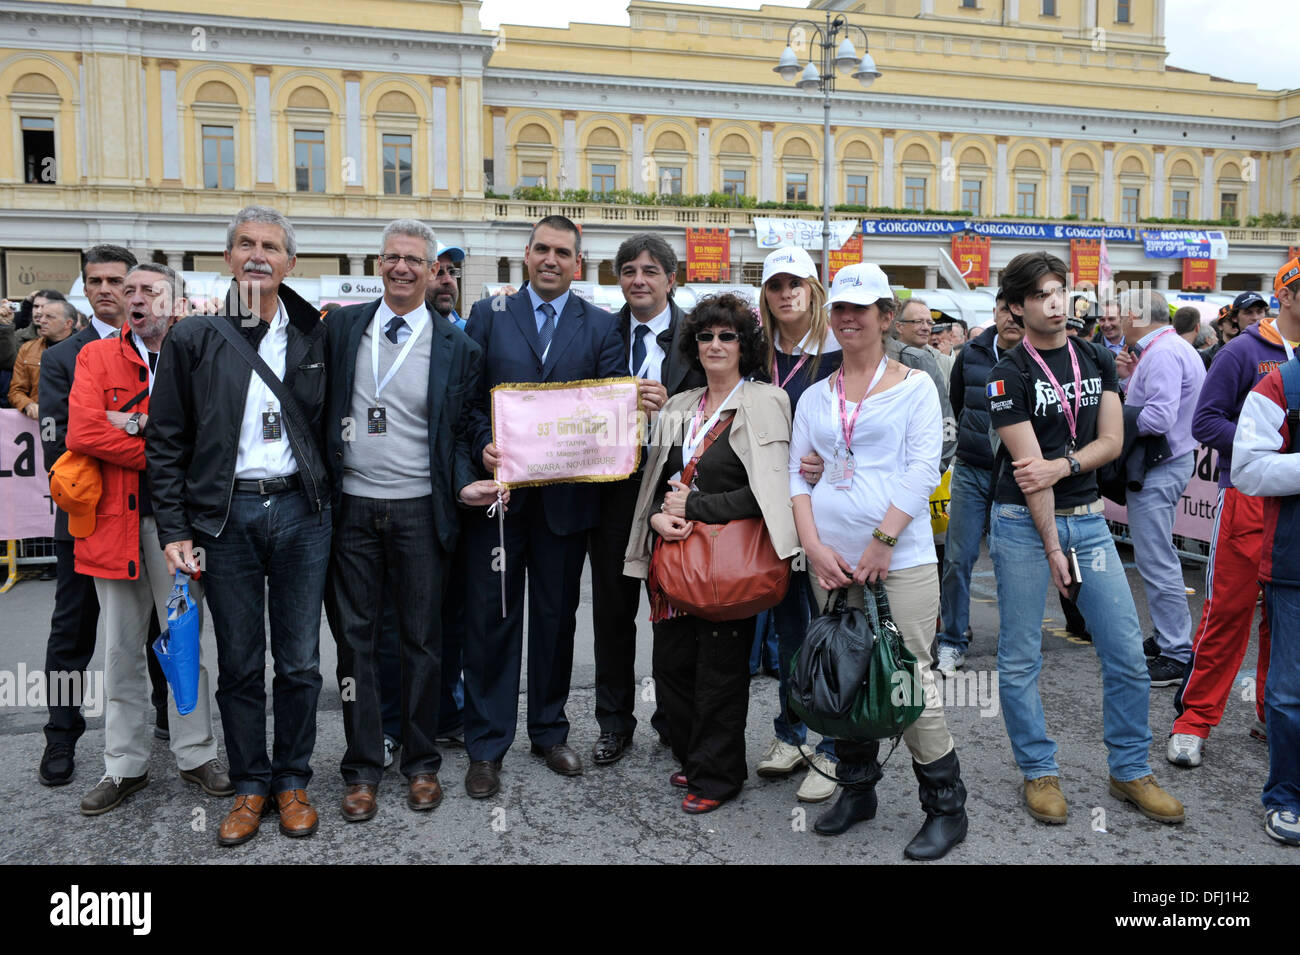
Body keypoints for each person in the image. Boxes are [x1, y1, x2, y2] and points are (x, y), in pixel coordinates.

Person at [148, 206, 332, 846]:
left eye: (272, 246)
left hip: (302, 514)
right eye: (246, 244)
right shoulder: (193, 337)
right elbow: (165, 441)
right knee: (241, 661)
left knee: (302, 660)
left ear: (289, 262)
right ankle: (252, 785)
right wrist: (174, 528)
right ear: (228, 257)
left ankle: (292, 781)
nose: (258, 255)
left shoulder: (315, 334)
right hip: (223, 518)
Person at [987, 251, 1184, 827]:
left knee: (1125, 651)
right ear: (1019, 306)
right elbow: (1029, 474)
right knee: (1021, 657)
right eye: (1042, 294)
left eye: (1060, 290)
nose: (1055, 302)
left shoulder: (1095, 355)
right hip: (1024, 523)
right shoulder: (1009, 373)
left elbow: (1112, 440)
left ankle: (1129, 770)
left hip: (1090, 518)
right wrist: (1053, 549)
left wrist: (1065, 464)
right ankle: (1039, 771)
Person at [788, 262, 968, 860]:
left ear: (885, 318)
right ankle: (857, 790)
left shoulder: (915, 385)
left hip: (902, 561)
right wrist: (814, 547)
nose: (847, 319)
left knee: (907, 679)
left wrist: (882, 542)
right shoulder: (816, 395)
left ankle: (946, 808)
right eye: (839, 309)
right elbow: (797, 473)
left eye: (860, 309)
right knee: (844, 673)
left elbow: (924, 469)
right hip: (831, 563)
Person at [321, 220, 487, 822]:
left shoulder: (458, 346)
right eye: (391, 257)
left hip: (422, 508)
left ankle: (420, 763)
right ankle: (363, 766)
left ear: (434, 269)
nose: (401, 268)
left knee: (423, 642)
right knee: (356, 644)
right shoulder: (341, 328)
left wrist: (478, 464)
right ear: (378, 263)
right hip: (353, 508)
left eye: (415, 260)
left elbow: (467, 426)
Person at [461, 215, 625, 798]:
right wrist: (483, 443)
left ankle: (550, 731)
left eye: (563, 252)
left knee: (556, 621)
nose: (551, 259)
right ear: (526, 255)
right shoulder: (489, 315)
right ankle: (485, 745)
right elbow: (471, 397)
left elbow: (607, 410)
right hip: (500, 498)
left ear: (577, 264)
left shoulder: (602, 326)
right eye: (542, 250)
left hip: (567, 501)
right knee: (493, 620)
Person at [624, 292, 798, 814]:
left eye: (728, 336)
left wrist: (697, 506)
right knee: (673, 668)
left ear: (745, 346)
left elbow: (769, 492)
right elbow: (656, 481)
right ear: (693, 345)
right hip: (673, 560)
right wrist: (658, 515)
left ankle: (720, 777)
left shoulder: (769, 401)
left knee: (720, 675)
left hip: (730, 562)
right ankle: (696, 756)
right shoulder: (679, 406)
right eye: (706, 336)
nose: (716, 344)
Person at [66, 264, 229, 815]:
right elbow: (84, 431)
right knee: (119, 651)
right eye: (128, 290)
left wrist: (131, 426)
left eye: (148, 291)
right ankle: (123, 765)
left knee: (184, 643)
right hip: (113, 523)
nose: (134, 298)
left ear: (176, 301)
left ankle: (196, 754)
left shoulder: (200, 350)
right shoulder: (96, 355)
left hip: (179, 528)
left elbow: (215, 432)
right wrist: (164, 451)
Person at [37, 244, 172, 787]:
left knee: (163, 628)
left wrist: (127, 430)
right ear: (84, 288)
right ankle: (60, 737)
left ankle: (167, 722)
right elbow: (65, 446)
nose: (107, 290)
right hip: (88, 514)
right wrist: (152, 447)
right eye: (95, 281)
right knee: (75, 631)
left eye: (118, 280)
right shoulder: (65, 355)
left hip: (157, 514)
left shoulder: (167, 346)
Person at [1168, 261, 1300, 767]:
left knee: (1285, 618)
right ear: (1284, 295)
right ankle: (1194, 720)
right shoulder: (1243, 350)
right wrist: (1259, 451)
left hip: (1293, 504)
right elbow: (1205, 420)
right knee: (1228, 613)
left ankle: (1274, 714)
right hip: (1246, 498)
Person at [587, 233, 703, 766]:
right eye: (629, 270)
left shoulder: (698, 336)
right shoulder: (597, 334)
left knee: (673, 615)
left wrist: (669, 414)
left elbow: (719, 406)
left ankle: (672, 721)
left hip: (676, 493)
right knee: (612, 616)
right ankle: (614, 723)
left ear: (671, 279)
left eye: (651, 271)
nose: (639, 279)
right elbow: (576, 408)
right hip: (611, 494)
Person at [751, 245, 843, 802]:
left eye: (797, 283)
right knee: (789, 631)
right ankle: (791, 732)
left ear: (814, 289)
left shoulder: (838, 349)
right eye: (776, 284)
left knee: (828, 630)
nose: (787, 293)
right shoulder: (757, 354)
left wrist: (831, 459)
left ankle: (831, 746)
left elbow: (861, 424)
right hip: (772, 510)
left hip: (828, 509)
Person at [1229, 263, 1300, 845]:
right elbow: (1248, 469)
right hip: (1295, 567)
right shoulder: (1279, 384)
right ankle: (1287, 797)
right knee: (1289, 693)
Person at [1118, 290, 1206, 687]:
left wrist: (1111, 419)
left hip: (1160, 465)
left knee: (1157, 560)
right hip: (1165, 464)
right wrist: (1127, 384)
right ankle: (1170, 639)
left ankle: (1175, 651)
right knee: (1158, 557)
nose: (1116, 320)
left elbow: (1158, 417)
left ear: (1136, 315)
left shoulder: (1164, 352)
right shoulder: (1167, 347)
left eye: (1120, 312)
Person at [936, 289, 1023, 674]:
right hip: (971, 470)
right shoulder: (970, 352)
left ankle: (1016, 646)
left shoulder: (1036, 356)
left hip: (1018, 472)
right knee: (958, 558)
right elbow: (955, 406)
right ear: (996, 311)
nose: (1012, 318)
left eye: (1019, 311)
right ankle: (952, 640)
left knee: (1014, 561)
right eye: (1006, 309)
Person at [10, 299, 77, 416]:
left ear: (68, 323)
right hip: (37, 423)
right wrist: (28, 404)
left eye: (49, 317)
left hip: (73, 421)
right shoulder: (28, 348)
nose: (42, 321)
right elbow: (16, 390)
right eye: (41, 316)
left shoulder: (84, 349)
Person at [895, 298, 953, 388]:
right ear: (899, 327)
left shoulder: (945, 363)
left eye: (929, 322)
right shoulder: (885, 359)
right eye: (918, 322)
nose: (926, 328)